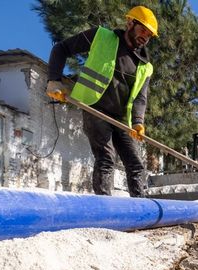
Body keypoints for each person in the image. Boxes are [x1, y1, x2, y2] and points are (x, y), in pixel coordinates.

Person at [46, 6, 158, 197]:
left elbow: (140, 97)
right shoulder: (102, 36)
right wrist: (54, 80)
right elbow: (61, 48)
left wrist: (138, 122)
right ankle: (105, 207)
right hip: (95, 107)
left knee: (136, 164)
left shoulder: (145, 66)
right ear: (130, 23)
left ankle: (141, 209)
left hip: (121, 118)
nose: (145, 37)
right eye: (143, 30)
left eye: (149, 35)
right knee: (106, 158)